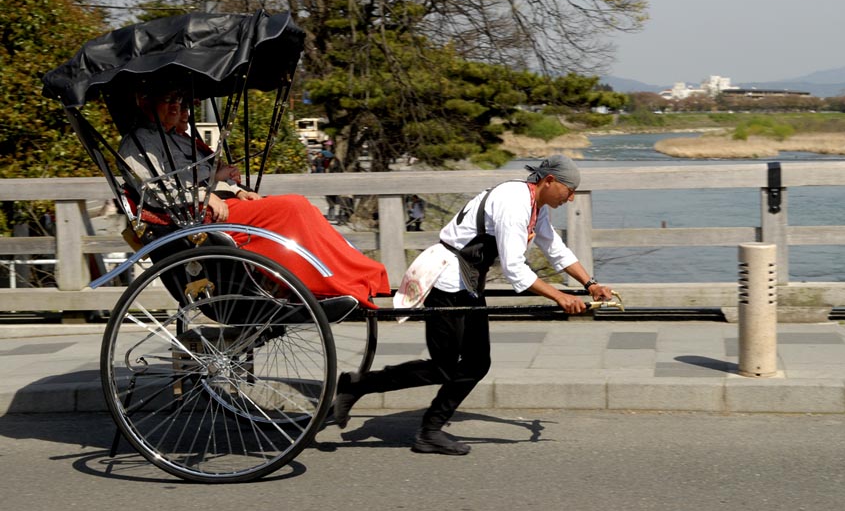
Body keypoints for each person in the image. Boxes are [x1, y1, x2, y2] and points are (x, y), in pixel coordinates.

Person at [332, 154, 614, 455]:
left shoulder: (535, 206)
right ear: (549, 181)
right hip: (446, 280)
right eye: (569, 190)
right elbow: (515, 270)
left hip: (467, 282)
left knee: (477, 362)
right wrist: (560, 297)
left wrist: (589, 284)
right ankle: (358, 386)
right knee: (442, 367)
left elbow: (555, 248)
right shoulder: (514, 203)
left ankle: (430, 429)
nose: (571, 198)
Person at [117, 88, 391, 305]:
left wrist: (236, 189)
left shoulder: (176, 138)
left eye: (179, 100)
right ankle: (331, 282)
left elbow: (203, 174)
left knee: (300, 209)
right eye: (168, 100)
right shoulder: (136, 144)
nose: (178, 107)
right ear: (143, 102)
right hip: (194, 219)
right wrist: (201, 195)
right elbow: (153, 190)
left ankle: (357, 274)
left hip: (215, 207)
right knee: (293, 206)